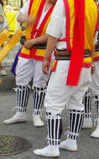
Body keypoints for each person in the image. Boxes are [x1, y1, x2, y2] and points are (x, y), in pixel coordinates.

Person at [33, 0, 98, 157]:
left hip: (66, 61)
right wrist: (90, 61)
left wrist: (47, 57)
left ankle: (53, 146)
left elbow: (53, 34)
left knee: (53, 104)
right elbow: (94, 38)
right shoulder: (93, 5)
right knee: (77, 103)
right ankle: (71, 141)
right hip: (85, 61)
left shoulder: (64, 3)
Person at [3, 0, 57, 127]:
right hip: (27, 48)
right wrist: (27, 18)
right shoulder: (33, 1)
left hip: (44, 50)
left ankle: (37, 114)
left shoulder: (60, 7)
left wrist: (33, 42)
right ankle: (20, 112)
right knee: (21, 80)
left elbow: (54, 35)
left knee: (40, 83)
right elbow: (20, 17)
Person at [81, 0, 99, 136]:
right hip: (86, 52)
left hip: (96, 51)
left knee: (97, 88)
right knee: (85, 86)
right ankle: (86, 118)